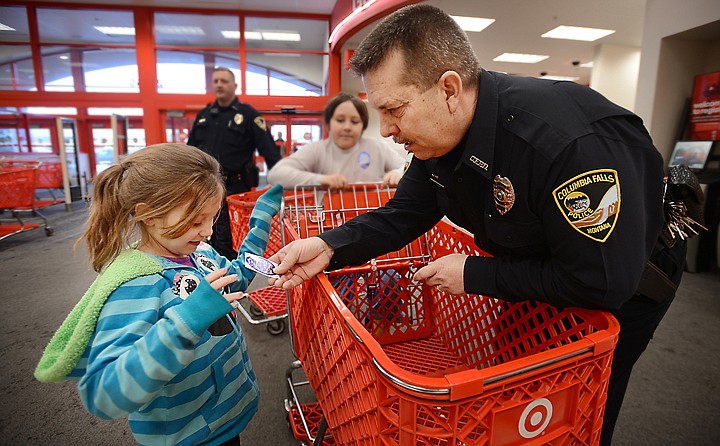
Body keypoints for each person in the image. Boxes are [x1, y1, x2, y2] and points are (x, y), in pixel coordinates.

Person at [267, 5, 688, 446]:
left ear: (449, 89)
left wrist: (473, 273)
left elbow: (601, 280)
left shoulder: (567, 145)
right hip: (532, 261)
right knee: (517, 384)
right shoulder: (441, 136)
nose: (386, 130)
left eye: (394, 110)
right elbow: (404, 212)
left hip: (624, 281)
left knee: (576, 407)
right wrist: (329, 245)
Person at [35, 143, 283, 446]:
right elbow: (104, 394)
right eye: (194, 222)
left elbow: (233, 280)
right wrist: (187, 321)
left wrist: (260, 221)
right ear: (148, 214)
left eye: (212, 218)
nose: (206, 231)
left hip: (224, 420)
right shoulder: (136, 286)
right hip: (188, 437)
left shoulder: (198, 251)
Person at [188, 66, 281, 259]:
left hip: (234, 189)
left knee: (227, 240)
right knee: (205, 235)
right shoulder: (205, 116)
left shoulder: (248, 115)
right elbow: (190, 152)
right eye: (216, 81)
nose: (219, 85)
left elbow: (269, 149)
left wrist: (280, 182)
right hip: (204, 188)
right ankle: (212, 278)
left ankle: (228, 284)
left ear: (234, 85)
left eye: (224, 81)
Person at [267, 92, 406, 189]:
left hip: (371, 221)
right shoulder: (316, 150)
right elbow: (276, 174)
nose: (347, 127)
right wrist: (321, 180)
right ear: (328, 124)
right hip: (327, 224)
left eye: (355, 121)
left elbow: (406, 167)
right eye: (340, 120)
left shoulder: (377, 147)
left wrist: (397, 174)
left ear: (363, 126)